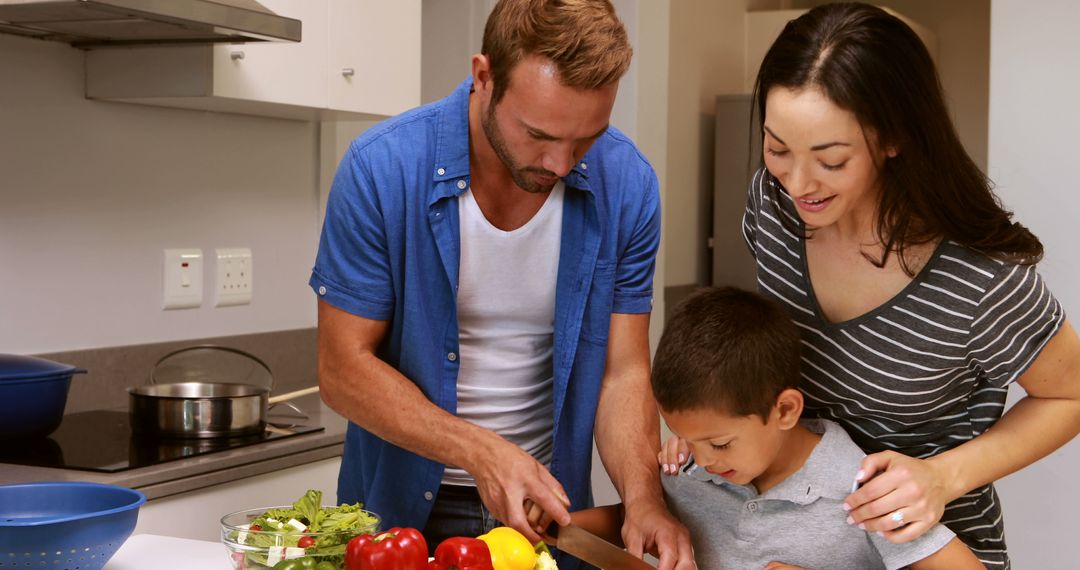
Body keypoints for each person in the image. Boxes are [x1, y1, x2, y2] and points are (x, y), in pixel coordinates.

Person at [662, 3, 1080, 568]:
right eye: (778, 148)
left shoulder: (979, 275)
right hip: (805, 541)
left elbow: (1070, 394)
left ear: (893, 139)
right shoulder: (774, 207)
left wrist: (940, 476)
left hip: (928, 549)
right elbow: (755, 360)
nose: (798, 184)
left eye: (830, 160)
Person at [309, 0, 692, 568]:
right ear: (484, 77)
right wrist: (481, 451)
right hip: (396, 525)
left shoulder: (628, 185)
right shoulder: (381, 169)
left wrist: (644, 499)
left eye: (586, 138)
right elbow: (342, 371)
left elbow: (624, 371)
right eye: (539, 134)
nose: (561, 164)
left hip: (548, 519)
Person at [649, 286, 984, 569]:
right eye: (687, 440)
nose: (704, 460)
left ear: (785, 410)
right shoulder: (690, 469)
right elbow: (637, 522)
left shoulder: (863, 490)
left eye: (720, 444)